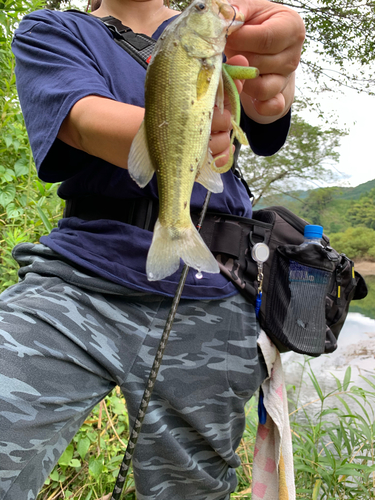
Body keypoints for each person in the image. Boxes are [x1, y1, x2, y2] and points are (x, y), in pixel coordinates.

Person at [0, 0, 304, 498]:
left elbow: (265, 113)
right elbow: (80, 120)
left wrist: (275, 77)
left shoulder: (217, 32)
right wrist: (186, 131)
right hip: (79, 278)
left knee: (191, 487)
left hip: (215, 283)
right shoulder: (53, 28)